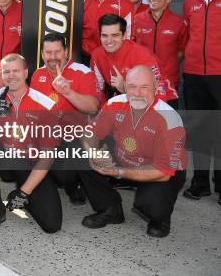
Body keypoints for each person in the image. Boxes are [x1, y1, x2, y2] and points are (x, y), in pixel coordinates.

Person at [79, 66, 187, 238]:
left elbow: (163, 172)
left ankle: (161, 219)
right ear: (124, 87)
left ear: (156, 88)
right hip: (125, 157)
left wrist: (118, 172)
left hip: (159, 170)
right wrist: (94, 153)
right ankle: (110, 209)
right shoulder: (115, 103)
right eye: (131, 86)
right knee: (81, 154)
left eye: (144, 87)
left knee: (149, 204)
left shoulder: (169, 118)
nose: (137, 93)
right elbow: (89, 134)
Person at [0, 53, 62, 234]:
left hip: (30, 163)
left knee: (52, 224)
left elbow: (48, 155)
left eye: (16, 71)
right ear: (1, 73)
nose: (11, 76)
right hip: (3, 157)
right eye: (6, 71)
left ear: (26, 72)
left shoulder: (45, 104)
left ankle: (22, 193)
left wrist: (24, 192)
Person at [30, 33, 100, 205]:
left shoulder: (83, 72)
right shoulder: (37, 75)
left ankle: (73, 185)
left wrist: (68, 92)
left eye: (57, 52)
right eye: (48, 52)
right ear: (42, 54)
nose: (52, 57)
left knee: (65, 174)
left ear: (66, 52)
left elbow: (93, 107)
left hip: (74, 136)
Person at [181, 0, 221, 203]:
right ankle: (200, 182)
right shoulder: (189, 1)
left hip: (220, 75)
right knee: (199, 130)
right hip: (194, 75)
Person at [90, 13, 177, 103]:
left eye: (115, 35)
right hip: (127, 97)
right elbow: (97, 91)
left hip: (163, 99)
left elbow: (158, 92)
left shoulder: (142, 55)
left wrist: (125, 88)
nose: (109, 40)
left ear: (124, 36)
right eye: (105, 35)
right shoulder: (97, 55)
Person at [132, 0, 187, 109]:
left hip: (168, 82)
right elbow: (131, 49)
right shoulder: (136, 20)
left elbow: (181, 51)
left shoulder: (179, 22)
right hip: (141, 82)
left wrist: (165, 67)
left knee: (168, 121)